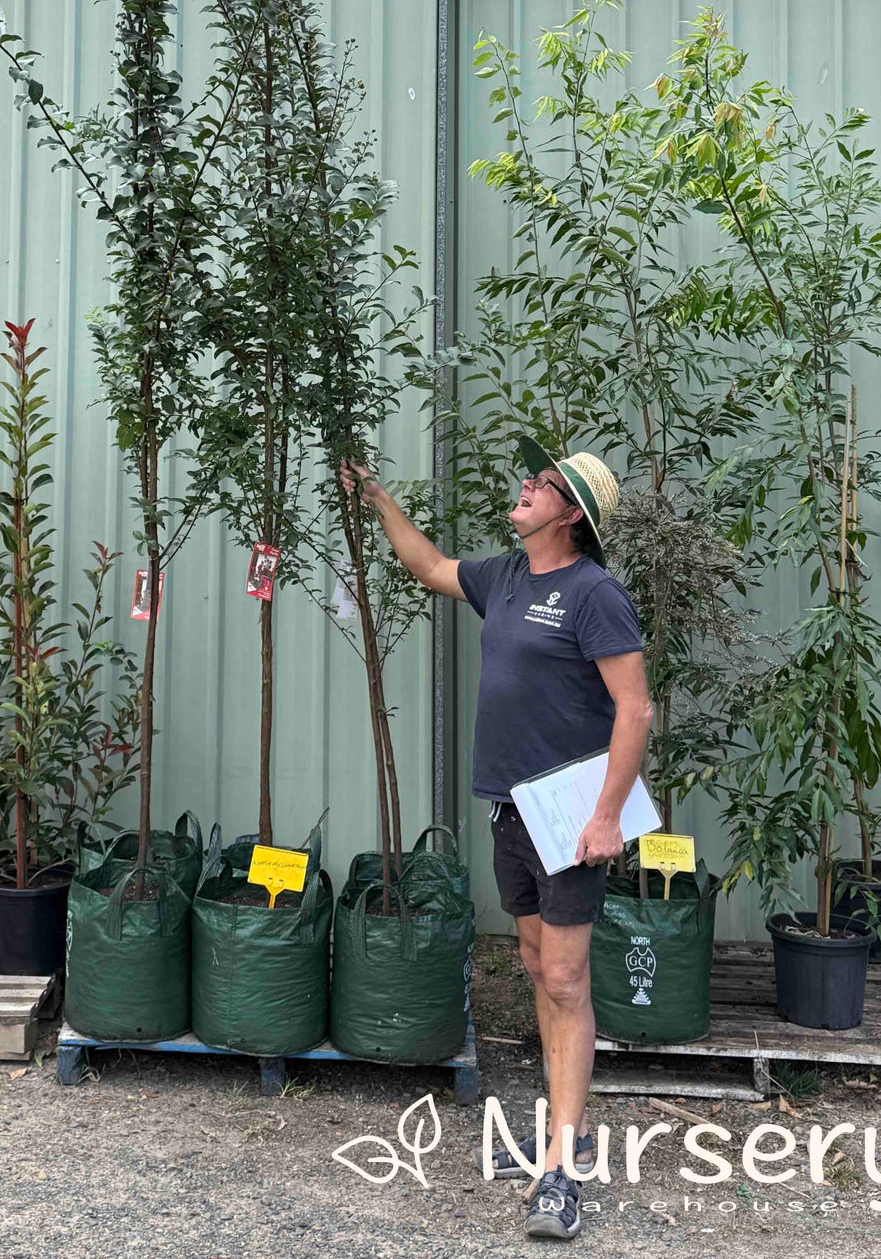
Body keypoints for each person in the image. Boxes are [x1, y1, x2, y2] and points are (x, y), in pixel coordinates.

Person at [341, 436, 652, 1242]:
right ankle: (564, 1125)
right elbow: (430, 567)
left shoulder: (593, 592)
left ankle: (562, 1169)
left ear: (572, 514)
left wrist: (608, 815)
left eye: (540, 482)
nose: (523, 484)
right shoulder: (506, 576)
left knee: (564, 975)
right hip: (513, 809)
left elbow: (634, 708)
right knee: (531, 962)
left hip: (574, 813)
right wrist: (377, 497)